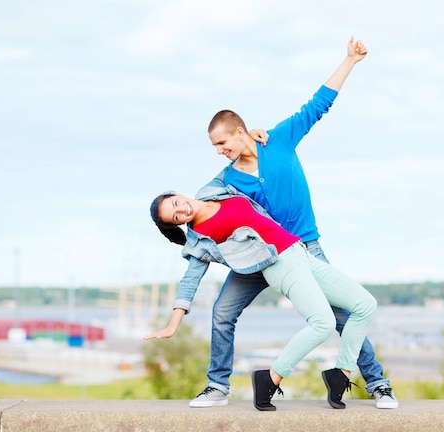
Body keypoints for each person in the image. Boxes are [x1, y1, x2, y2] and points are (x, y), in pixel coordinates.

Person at [194, 36, 399, 409]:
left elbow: (318, 104)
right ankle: (217, 387)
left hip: (305, 247)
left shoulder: (281, 139)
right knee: (222, 312)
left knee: (345, 313)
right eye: (215, 147)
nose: (219, 151)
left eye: (222, 142)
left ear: (240, 132)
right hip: (259, 256)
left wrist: (349, 61)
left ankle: (377, 383)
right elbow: (196, 206)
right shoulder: (226, 181)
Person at [144, 187, 377, 411]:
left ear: (178, 194)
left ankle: (342, 374)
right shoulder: (199, 240)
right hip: (279, 263)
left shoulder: (214, 190)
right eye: (176, 217)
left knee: (365, 305)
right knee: (322, 323)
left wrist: (259, 143)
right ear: (179, 224)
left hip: (298, 249)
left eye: (176, 203)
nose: (182, 211)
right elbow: (189, 281)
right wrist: (173, 324)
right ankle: (270, 378)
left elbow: (243, 160)